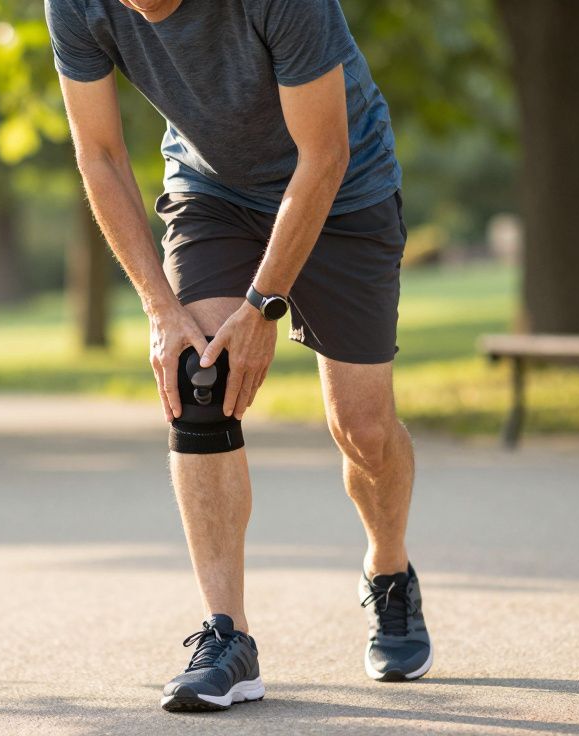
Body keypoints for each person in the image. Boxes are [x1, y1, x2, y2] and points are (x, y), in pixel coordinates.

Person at [44, 0, 431, 713]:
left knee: (365, 430)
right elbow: (99, 154)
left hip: (344, 192)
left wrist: (263, 305)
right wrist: (161, 309)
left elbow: (325, 154)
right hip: (211, 191)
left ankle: (389, 570)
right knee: (201, 379)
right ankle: (228, 634)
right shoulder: (76, 5)